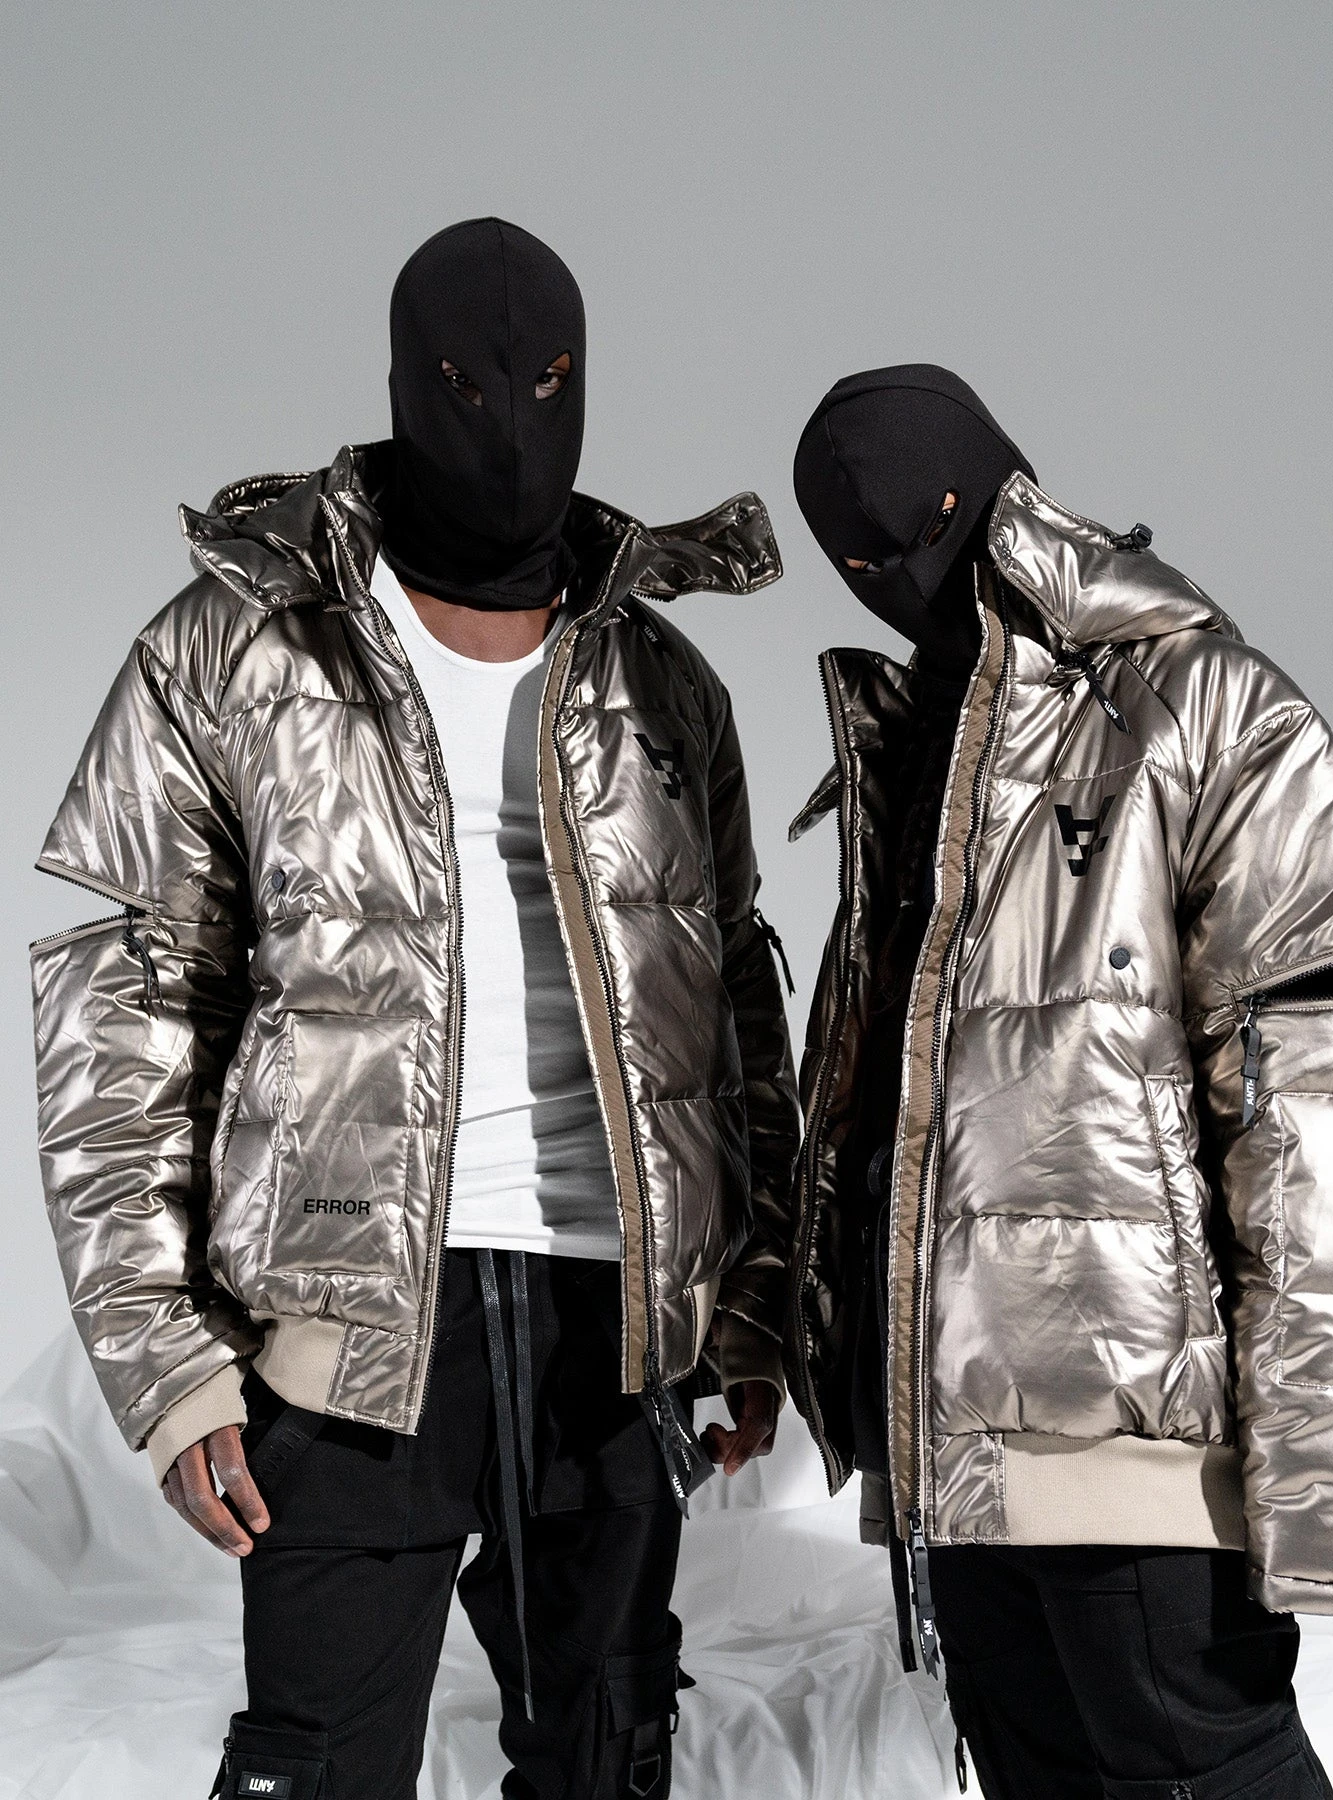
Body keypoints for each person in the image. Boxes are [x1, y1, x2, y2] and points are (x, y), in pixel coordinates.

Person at [31, 217, 799, 1800]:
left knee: (610, 1759)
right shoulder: (229, 652)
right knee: (320, 1766)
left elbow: (736, 1008)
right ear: (400, 386)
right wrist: (163, 1365)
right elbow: (124, 1016)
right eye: (466, 384)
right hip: (348, 1328)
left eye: (551, 381)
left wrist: (753, 1305)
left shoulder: (663, 682)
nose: (511, 422)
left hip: (617, 1327)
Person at [784, 365, 1333, 1799]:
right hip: (956, 1465)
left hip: (1138, 1461)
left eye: (913, 522)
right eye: (850, 551)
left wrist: (1332, 1490)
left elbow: (1330, 1110)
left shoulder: (1203, 709)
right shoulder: (919, 750)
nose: (885, 567)